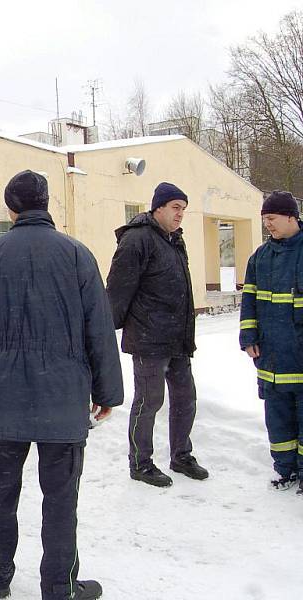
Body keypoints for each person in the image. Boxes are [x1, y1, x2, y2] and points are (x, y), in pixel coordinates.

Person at [0, 170, 123, 600]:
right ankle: (59, 587)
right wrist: (107, 393)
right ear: (46, 204)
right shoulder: (77, 255)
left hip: (4, 397)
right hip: (62, 401)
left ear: (11, 207)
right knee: (61, 501)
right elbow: (98, 329)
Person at [106, 182, 209, 488]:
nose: (180, 214)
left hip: (178, 337)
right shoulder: (137, 239)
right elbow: (118, 288)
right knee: (149, 401)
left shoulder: (175, 240)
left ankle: (181, 455)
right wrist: (105, 328)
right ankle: (140, 463)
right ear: (158, 208)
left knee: (185, 398)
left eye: (184, 209)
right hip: (149, 338)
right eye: (176, 207)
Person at [239, 190, 303, 494]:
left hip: (299, 353)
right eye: (264, 219)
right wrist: (248, 336)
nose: (268, 225)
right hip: (271, 356)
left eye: (272, 218)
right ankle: (285, 469)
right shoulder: (260, 257)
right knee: (277, 418)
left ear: (292, 217)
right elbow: (249, 300)